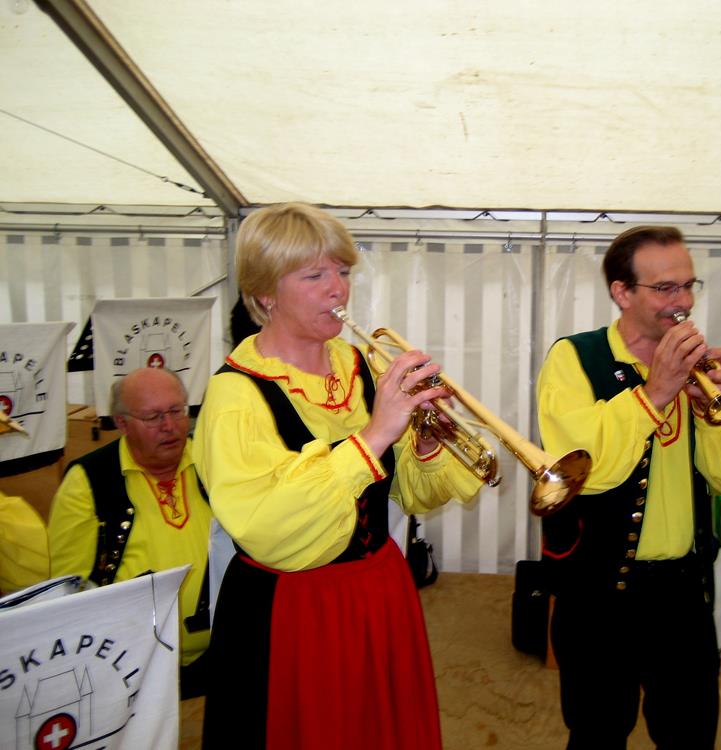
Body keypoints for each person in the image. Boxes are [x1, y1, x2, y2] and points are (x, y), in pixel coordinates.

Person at [193, 201, 483, 749]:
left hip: (379, 591)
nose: (338, 289)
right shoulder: (234, 395)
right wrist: (373, 436)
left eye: (343, 271)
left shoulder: (362, 366)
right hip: (294, 611)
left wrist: (423, 444)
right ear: (265, 293)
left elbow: (408, 495)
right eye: (314, 275)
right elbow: (267, 526)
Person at [536, 225, 721, 750]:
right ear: (621, 292)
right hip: (598, 595)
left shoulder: (695, 367)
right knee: (597, 734)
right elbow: (587, 470)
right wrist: (655, 391)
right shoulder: (574, 358)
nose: (682, 301)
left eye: (688, 285)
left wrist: (710, 412)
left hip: (682, 593)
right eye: (665, 288)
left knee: (690, 735)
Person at [47, 366, 213, 698]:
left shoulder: (211, 459)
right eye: (152, 417)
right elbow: (69, 588)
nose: (169, 426)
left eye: (176, 411)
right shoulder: (88, 479)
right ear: (122, 423)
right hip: (131, 670)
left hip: (222, 658)